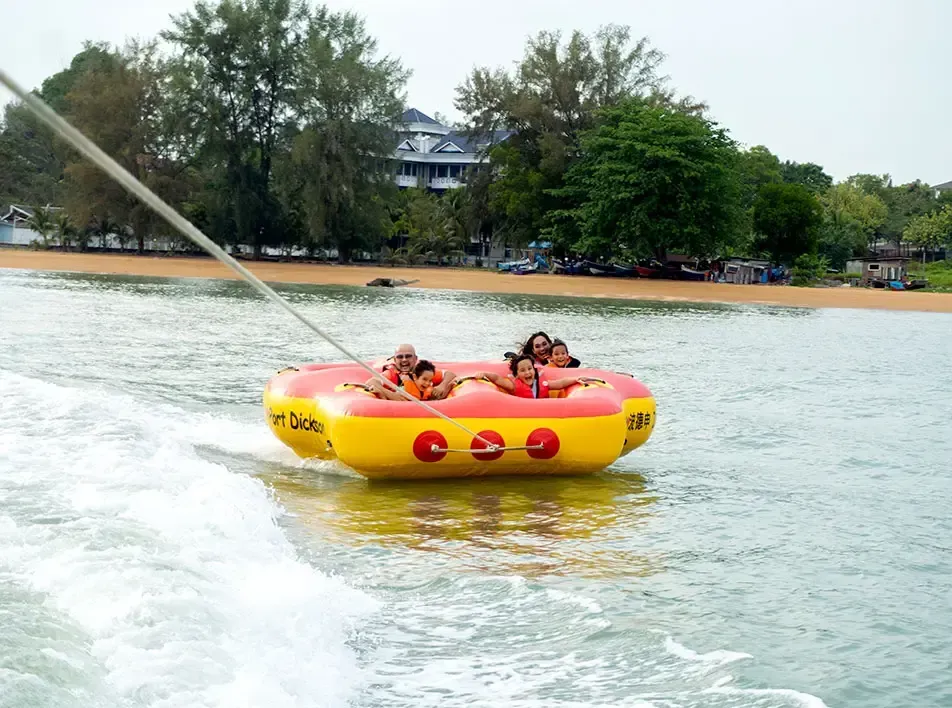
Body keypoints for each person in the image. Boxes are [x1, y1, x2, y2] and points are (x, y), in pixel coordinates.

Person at [366, 344, 455, 401]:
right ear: (395, 360)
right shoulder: (391, 375)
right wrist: (391, 395)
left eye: (408, 356)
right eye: (400, 357)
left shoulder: (423, 372)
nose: (404, 360)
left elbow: (450, 374)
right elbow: (371, 382)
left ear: (415, 359)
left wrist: (442, 386)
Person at [477, 355, 587, 399]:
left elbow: (560, 383)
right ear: (517, 375)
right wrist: (485, 374)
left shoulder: (542, 384)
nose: (527, 373)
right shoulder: (513, 386)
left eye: (529, 369)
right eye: (522, 370)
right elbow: (497, 379)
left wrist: (575, 380)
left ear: (534, 370)